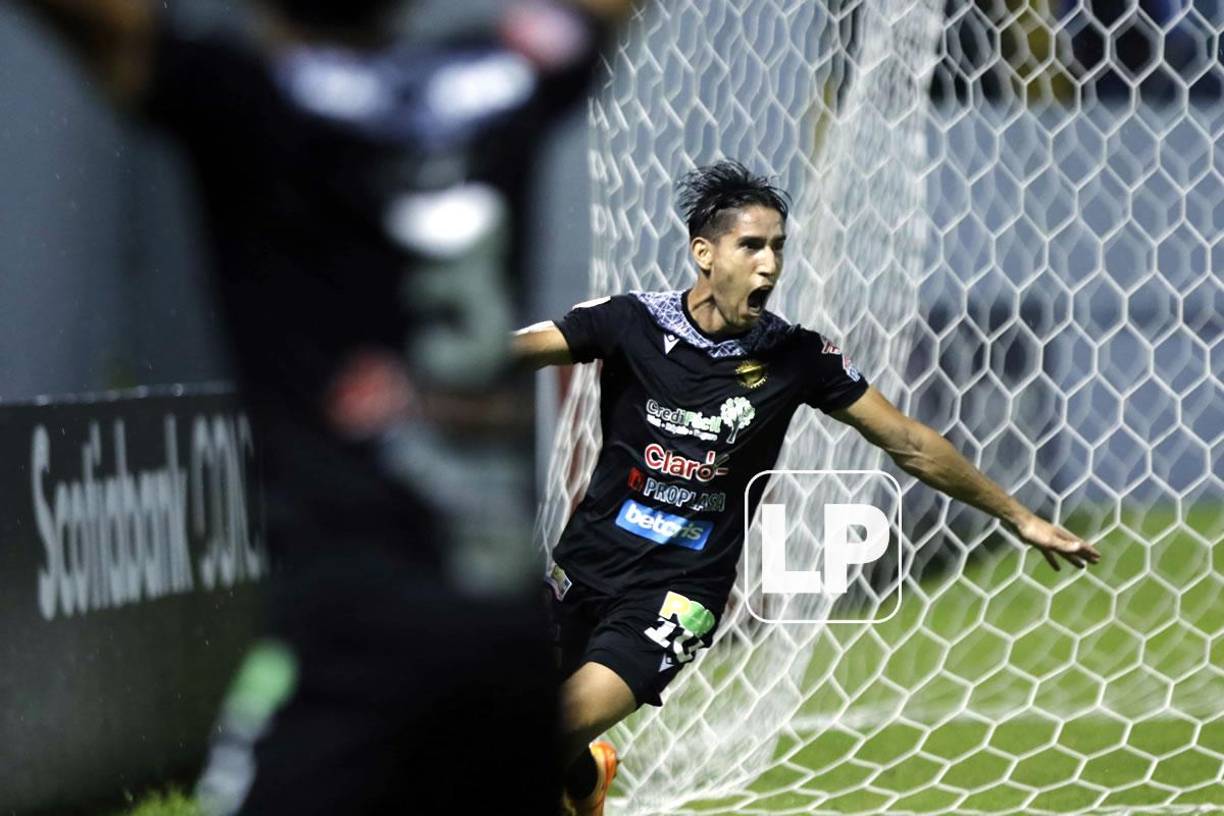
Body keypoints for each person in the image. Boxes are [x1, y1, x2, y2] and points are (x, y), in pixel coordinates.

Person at [10, 0, 632, 813]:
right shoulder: (502, 74)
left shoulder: (246, 93)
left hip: (348, 639)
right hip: (501, 641)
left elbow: (111, 30)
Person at [513, 159, 1103, 815]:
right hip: (582, 568)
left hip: (674, 597)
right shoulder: (630, 323)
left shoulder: (798, 358)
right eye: (751, 246)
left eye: (777, 248)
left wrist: (1018, 516)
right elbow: (515, 350)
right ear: (703, 253)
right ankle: (583, 780)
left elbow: (907, 440)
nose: (769, 266)